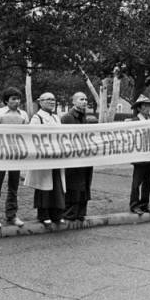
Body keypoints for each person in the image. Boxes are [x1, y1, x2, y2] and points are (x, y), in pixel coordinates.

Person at [0, 87, 29, 228]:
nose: (17, 101)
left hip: (16, 155)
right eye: (13, 99)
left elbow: (27, 133)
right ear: (6, 100)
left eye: (18, 99)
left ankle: (12, 215)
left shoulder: (23, 115)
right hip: (0, 155)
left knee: (13, 188)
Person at [24, 92, 65, 226]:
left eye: (53, 99)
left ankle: (57, 214)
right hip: (44, 157)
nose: (52, 102)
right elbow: (32, 136)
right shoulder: (37, 118)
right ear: (40, 102)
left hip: (57, 157)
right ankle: (44, 214)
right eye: (48, 99)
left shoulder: (56, 118)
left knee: (57, 186)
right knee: (44, 187)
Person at [61, 92, 93, 222]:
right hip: (73, 158)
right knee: (73, 186)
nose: (84, 101)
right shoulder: (66, 118)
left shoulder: (87, 118)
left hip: (86, 158)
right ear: (73, 102)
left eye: (86, 99)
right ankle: (70, 213)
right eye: (81, 99)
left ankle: (81, 212)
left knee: (85, 185)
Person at [128, 95, 150, 215]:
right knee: (137, 182)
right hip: (139, 157)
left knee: (148, 182)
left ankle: (144, 204)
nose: (147, 108)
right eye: (145, 105)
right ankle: (134, 204)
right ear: (139, 108)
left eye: (148, 105)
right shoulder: (135, 121)